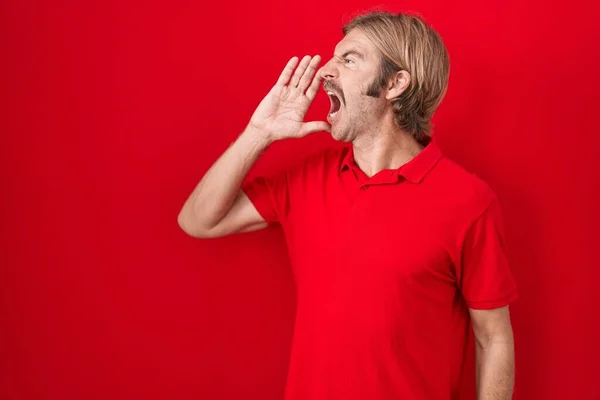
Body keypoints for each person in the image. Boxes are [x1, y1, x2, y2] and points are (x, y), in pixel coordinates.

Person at [178, 11, 518, 400]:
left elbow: (494, 339)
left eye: (349, 59)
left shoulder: (468, 201)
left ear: (395, 83)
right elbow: (197, 220)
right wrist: (259, 134)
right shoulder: (306, 180)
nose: (326, 69)